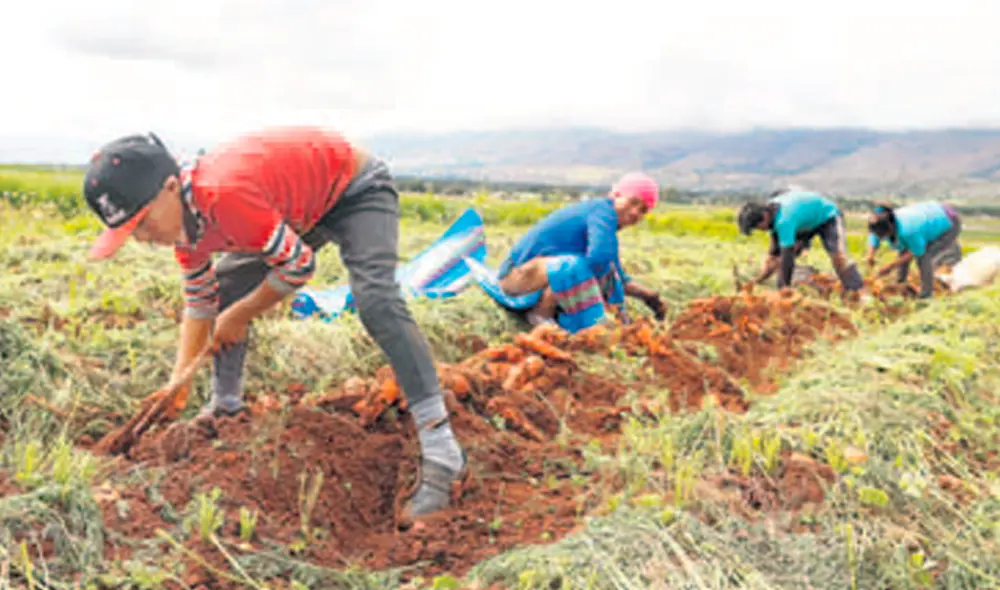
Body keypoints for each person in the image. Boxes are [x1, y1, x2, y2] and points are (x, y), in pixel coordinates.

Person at [82, 126, 466, 522]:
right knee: (227, 285)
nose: (143, 238)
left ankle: (442, 450)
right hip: (298, 207)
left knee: (376, 299)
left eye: (143, 223)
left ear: (168, 188)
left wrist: (241, 314)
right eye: (131, 233)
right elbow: (200, 302)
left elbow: (300, 265)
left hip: (355, 188)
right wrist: (178, 383)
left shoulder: (223, 195)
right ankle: (225, 406)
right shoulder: (183, 225)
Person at [494, 172, 667, 331]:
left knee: (588, 268)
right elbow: (598, 259)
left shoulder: (605, 222)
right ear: (616, 195)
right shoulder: (602, 213)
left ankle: (551, 313)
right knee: (577, 266)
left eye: (643, 210)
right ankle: (541, 316)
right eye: (633, 202)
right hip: (515, 277)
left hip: (532, 276)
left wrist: (648, 296)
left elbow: (616, 275)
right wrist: (610, 307)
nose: (635, 212)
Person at [737, 188, 864, 292]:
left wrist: (783, 290)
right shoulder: (772, 215)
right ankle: (814, 286)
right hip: (804, 222)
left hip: (827, 217)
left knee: (839, 258)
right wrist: (757, 281)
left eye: (758, 227)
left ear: (764, 217)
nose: (761, 231)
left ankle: (857, 291)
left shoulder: (784, 220)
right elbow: (773, 255)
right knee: (775, 258)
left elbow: (787, 259)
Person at [865, 201, 963, 298]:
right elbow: (874, 235)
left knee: (924, 257)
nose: (882, 238)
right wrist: (870, 255)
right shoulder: (881, 217)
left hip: (949, 222)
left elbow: (915, 252)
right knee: (903, 248)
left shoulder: (909, 230)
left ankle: (926, 295)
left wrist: (890, 266)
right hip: (929, 214)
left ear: (891, 227)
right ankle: (899, 284)